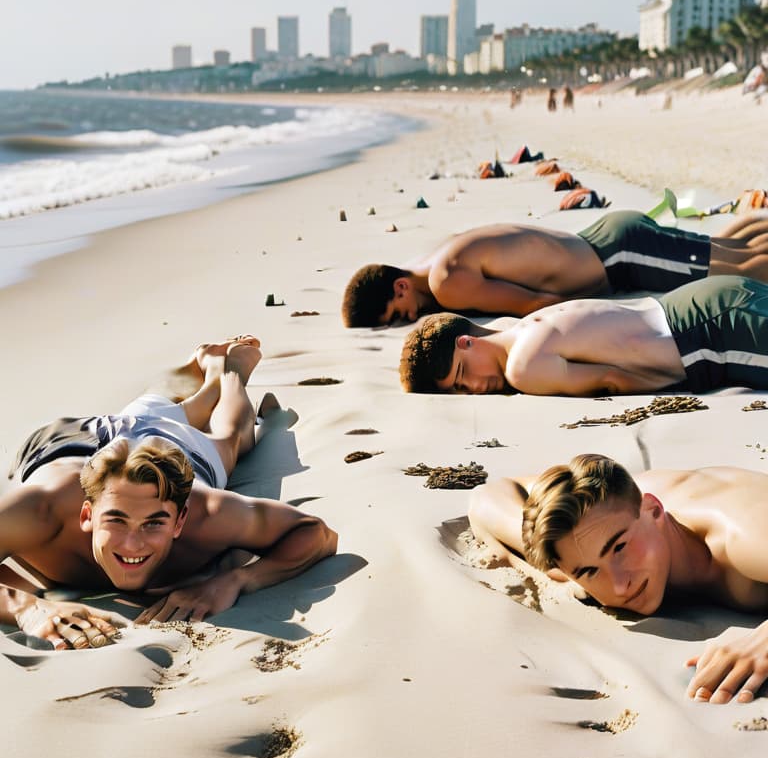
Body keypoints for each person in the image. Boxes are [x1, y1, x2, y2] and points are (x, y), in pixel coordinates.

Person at [1, 338, 338, 650]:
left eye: (153, 523)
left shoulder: (209, 512)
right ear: (87, 515)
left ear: (180, 521)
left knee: (234, 436)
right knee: (155, 415)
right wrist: (26, 609)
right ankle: (206, 384)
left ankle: (230, 372)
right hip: (67, 443)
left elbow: (317, 533)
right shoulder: (39, 510)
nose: (132, 545)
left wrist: (238, 580)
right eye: (116, 520)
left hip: (172, 450)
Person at [467, 454, 768, 705]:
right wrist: (545, 566)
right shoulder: (589, 526)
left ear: (654, 510)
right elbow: (486, 498)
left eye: (620, 548)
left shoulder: (737, 537)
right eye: (589, 571)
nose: (620, 585)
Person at [341, 211, 768, 326]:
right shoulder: (437, 257)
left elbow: (537, 304)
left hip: (617, 258)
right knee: (734, 247)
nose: (413, 317)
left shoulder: (446, 282)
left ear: (400, 287)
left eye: (401, 312)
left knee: (745, 267)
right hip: (609, 238)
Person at [399, 274, 768, 396]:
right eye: (459, 390)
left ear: (466, 342)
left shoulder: (522, 367)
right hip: (701, 297)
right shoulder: (518, 325)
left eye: (463, 375)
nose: (473, 388)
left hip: (712, 336)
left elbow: (613, 379)